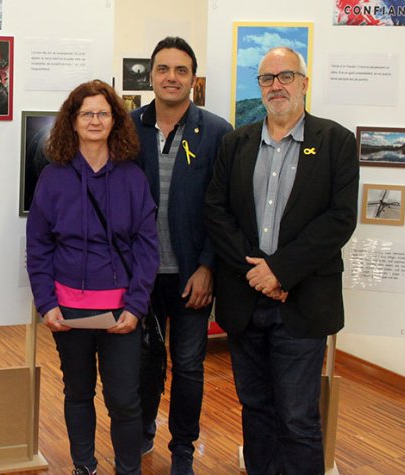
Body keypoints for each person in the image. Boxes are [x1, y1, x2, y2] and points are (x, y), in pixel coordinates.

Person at [204, 47, 358, 475]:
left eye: (286, 76)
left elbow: (340, 219)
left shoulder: (336, 142)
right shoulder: (236, 143)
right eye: (267, 78)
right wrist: (258, 273)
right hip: (245, 300)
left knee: (296, 416)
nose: (277, 86)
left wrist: (280, 271)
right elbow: (215, 211)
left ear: (304, 83)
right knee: (255, 409)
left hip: (302, 303)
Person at [27, 79, 159, 475]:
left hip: (121, 312)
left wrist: (136, 306)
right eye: (87, 114)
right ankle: (84, 466)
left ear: (115, 120)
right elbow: (38, 247)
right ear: (73, 121)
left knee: (125, 401)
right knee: (78, 393)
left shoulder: (132, 178)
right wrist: (46, 303)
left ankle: (128, 470)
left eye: (103, 113)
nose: (95, 120)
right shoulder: (53, 178)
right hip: (69, 312)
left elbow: (147, 247)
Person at [130, 37, 232, 475]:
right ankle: (142, 432)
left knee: (188, 366)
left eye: (181, 70)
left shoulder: (218, 132)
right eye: (163, 69)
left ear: (193, 78)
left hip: (193, 275)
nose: (171, 77)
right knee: (144, 361)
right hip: (141, 275)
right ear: (151, 75)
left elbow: (225, 208)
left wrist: (208, 266)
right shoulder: (127, 127)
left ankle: (184, 450)